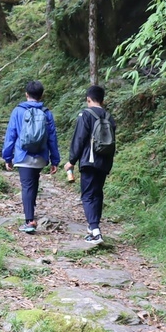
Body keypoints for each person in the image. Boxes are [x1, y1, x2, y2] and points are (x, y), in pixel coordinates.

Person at [2, 80, 60, 234]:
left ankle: (30, 221)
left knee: (27, 186)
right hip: (40, 156)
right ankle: (31, 213)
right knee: (33, 183)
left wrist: (7, 157)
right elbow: (52, 138)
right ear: (41, 95)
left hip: (23, 155)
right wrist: (55, 160)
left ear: (26, 94)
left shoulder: (18, 111)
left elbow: (11, 135)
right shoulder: (47, 113)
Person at [64, 85, 117, 244]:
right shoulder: (109, 117)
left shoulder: (86, 115)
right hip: (105, 161)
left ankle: (95, 231)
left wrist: (71, 161)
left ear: (88, 99)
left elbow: (79, 140)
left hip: (89, 161)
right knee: (97, 193)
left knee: (87, 195)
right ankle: (93, 226)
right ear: (103, 100)